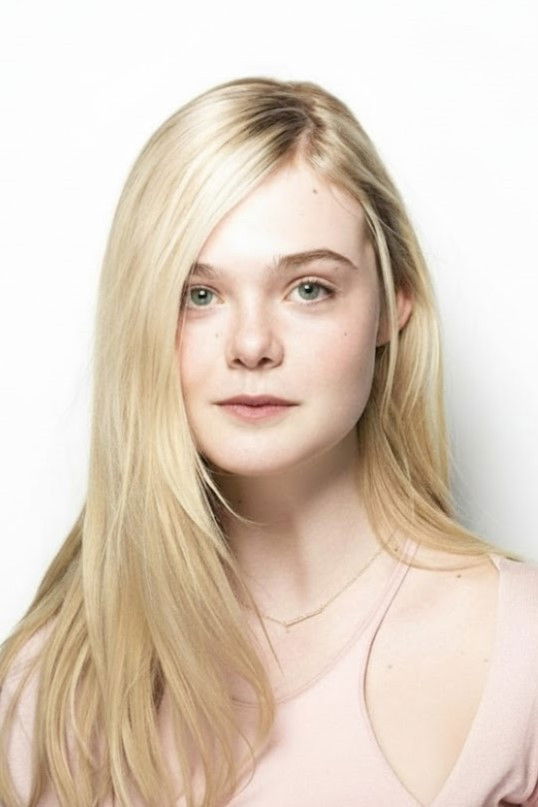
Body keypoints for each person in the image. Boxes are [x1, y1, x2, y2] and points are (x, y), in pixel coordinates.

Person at [0, 76, 537, 807]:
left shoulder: (522, 652)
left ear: (394, 304)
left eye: (308, 288)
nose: (251, 344)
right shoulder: (50, 688)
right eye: (199, 294)